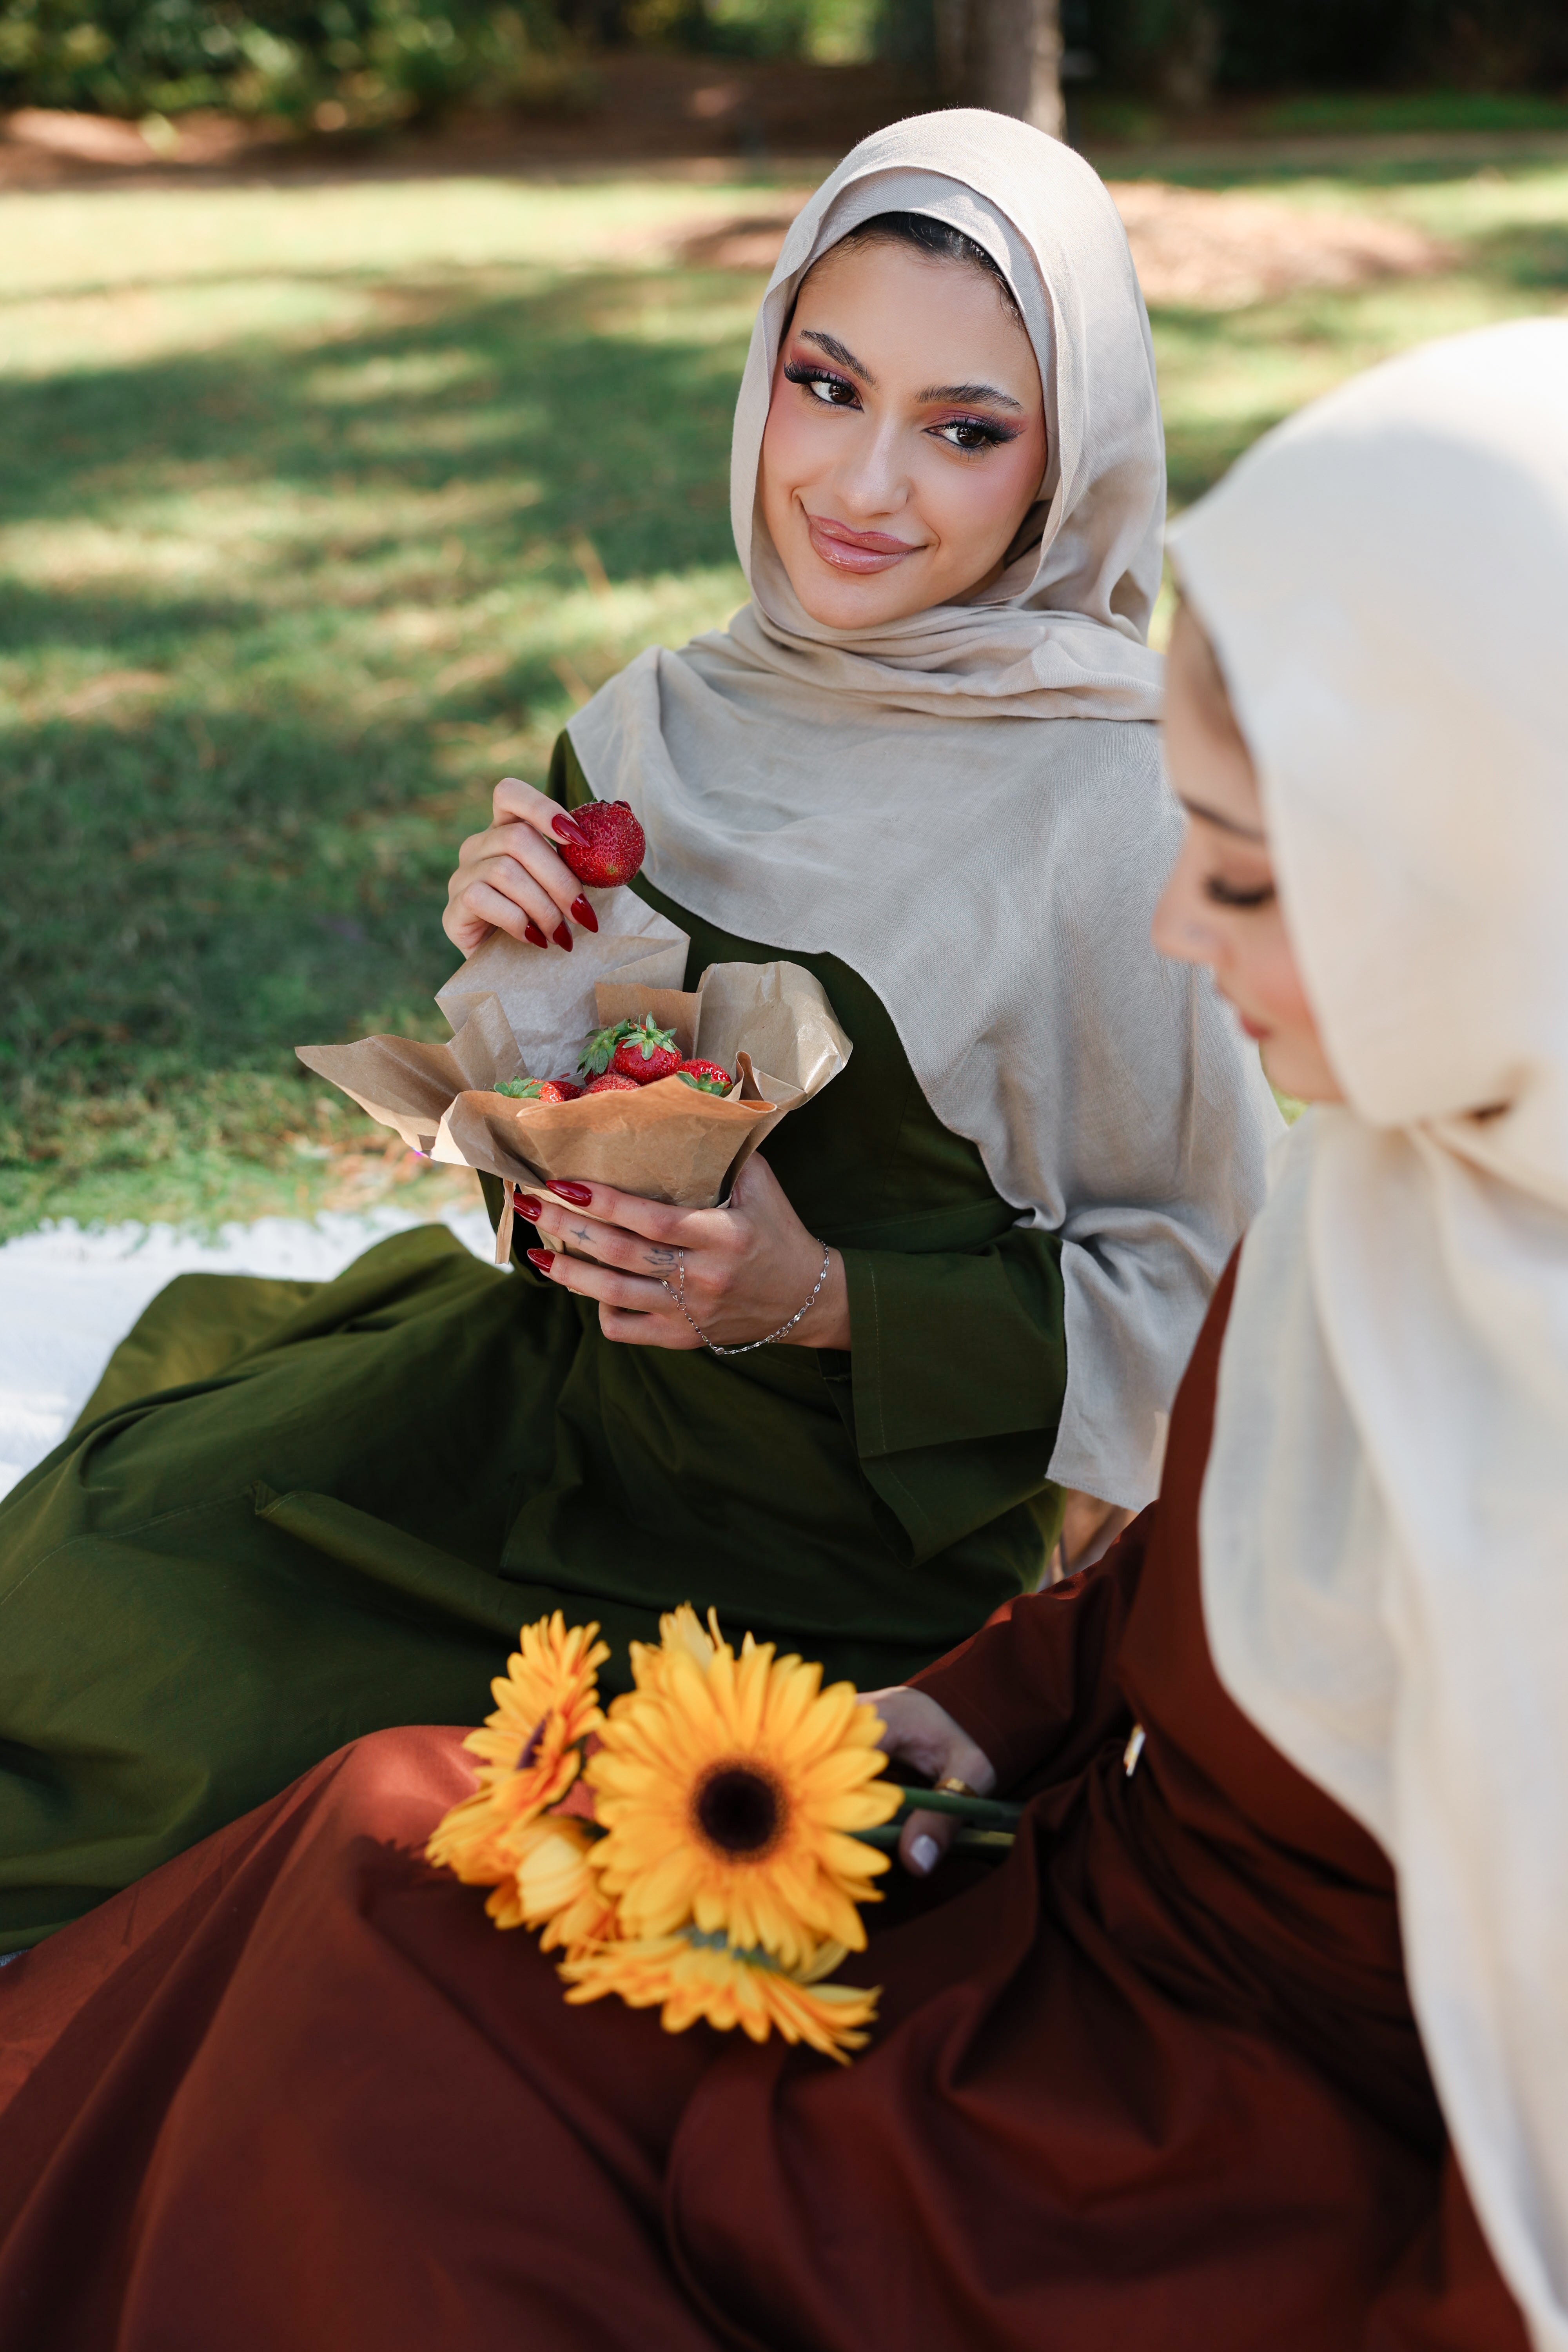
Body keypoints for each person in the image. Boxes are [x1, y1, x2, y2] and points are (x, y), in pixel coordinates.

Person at [6, 315, 1563, 2351]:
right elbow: (1222, 1541)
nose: (1188, 931)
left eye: (1253, 883)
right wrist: (972, 1714)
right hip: (1021, 1890)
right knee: (378, 1837)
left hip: (1154, 2177)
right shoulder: (1399, 1172)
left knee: (405, 2118)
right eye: (824, 384)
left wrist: (821, 1302)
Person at [0, 112, 1275, 1955]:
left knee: (260, 1820)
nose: (862, 483)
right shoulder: (664, 722)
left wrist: (813, 1294)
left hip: (822, 1586)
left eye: (964, 427)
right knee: (103, 1585)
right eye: (823, 385)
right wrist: (522, 983)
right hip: (548, 1420)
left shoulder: (1123, 805)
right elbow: (569, 1168)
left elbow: (1221, 1312)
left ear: (1065, 464)